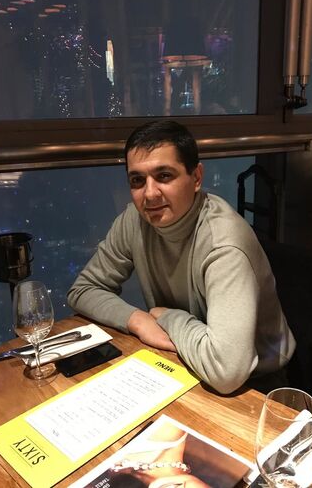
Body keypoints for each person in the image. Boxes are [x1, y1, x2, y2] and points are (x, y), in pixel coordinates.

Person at [67, 120, 295, 394]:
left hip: (255, 382)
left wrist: (168, 318)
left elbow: (227, 370)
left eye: (164, 176)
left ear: (196, 178)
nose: (149, 194)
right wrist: (136, 319)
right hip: (183, 356)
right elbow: (83, 290)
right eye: (137, 180)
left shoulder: (223, 243)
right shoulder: (133, 221)